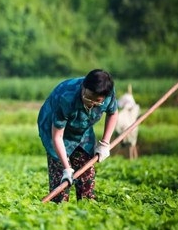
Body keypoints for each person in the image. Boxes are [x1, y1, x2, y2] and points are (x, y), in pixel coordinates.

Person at [37, 69, 119, 203]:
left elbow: (113, 113)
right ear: (83, 87)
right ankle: (58, 215)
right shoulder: (66, 97)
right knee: (61, 183)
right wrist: (66, 168)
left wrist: (105, 143)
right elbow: (57, 137)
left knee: (87, 178)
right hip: (54, 131)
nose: (91, 103)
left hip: (82, 130)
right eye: (88, 98)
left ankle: (86, 210)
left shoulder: (108, 93)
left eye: (97, 101)